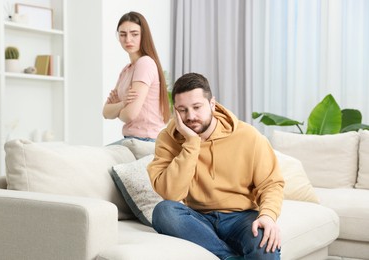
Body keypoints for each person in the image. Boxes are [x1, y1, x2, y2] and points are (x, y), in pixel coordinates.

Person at [147, 72, 285, 260]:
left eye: (197, 107)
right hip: (197, 219)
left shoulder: (248, 136)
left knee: (265, 245)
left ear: (212, 104)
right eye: (182, 110)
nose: (190, 116)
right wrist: (191, 143)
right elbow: (171, 194)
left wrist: (267, 216)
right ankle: (229, 257)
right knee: (164, 211)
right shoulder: (168, 138)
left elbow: (271, 184)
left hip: (242, 217)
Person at [102, 11, 171, 143]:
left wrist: (117, 108)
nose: (128, 39)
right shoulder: (126, 70)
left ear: (143, 35)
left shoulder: (145, 63)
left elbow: (129, 114)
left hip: (145, 140)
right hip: (131, 139)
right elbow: (105, 112)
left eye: (134, 34)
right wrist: (123, 104)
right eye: (123, 34)